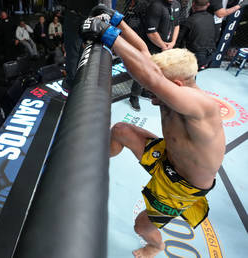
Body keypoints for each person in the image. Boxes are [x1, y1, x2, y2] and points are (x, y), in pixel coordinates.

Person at [82, 8, 225, 257]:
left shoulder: (200, 106)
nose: (151, 96)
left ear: (178, 85)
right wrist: (119, 23)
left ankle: (155, 246)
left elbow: (151, 80)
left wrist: (109, 37)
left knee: (142, 225)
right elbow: (144, 55)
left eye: (163, 86)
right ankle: (96, 163)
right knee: (121, 130)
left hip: (182, 186)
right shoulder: (174, 83)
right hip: (169, 156)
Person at [129, 0, 181, 111]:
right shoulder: (156, 6)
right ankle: (134, 96)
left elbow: (176, 25)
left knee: (157, 71)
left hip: (167, 45)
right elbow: (151, 32)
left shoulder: (176, 4)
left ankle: (145, 91)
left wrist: (172, 42)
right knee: (144, 71)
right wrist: (163, 45)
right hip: (152, 46)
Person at [176, 0, 216, 69]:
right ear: (208, 4)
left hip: (197, 55)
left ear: (193, 4)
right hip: (211, 53)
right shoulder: (211, 17)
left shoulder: (190, 21)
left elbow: (178, 40)